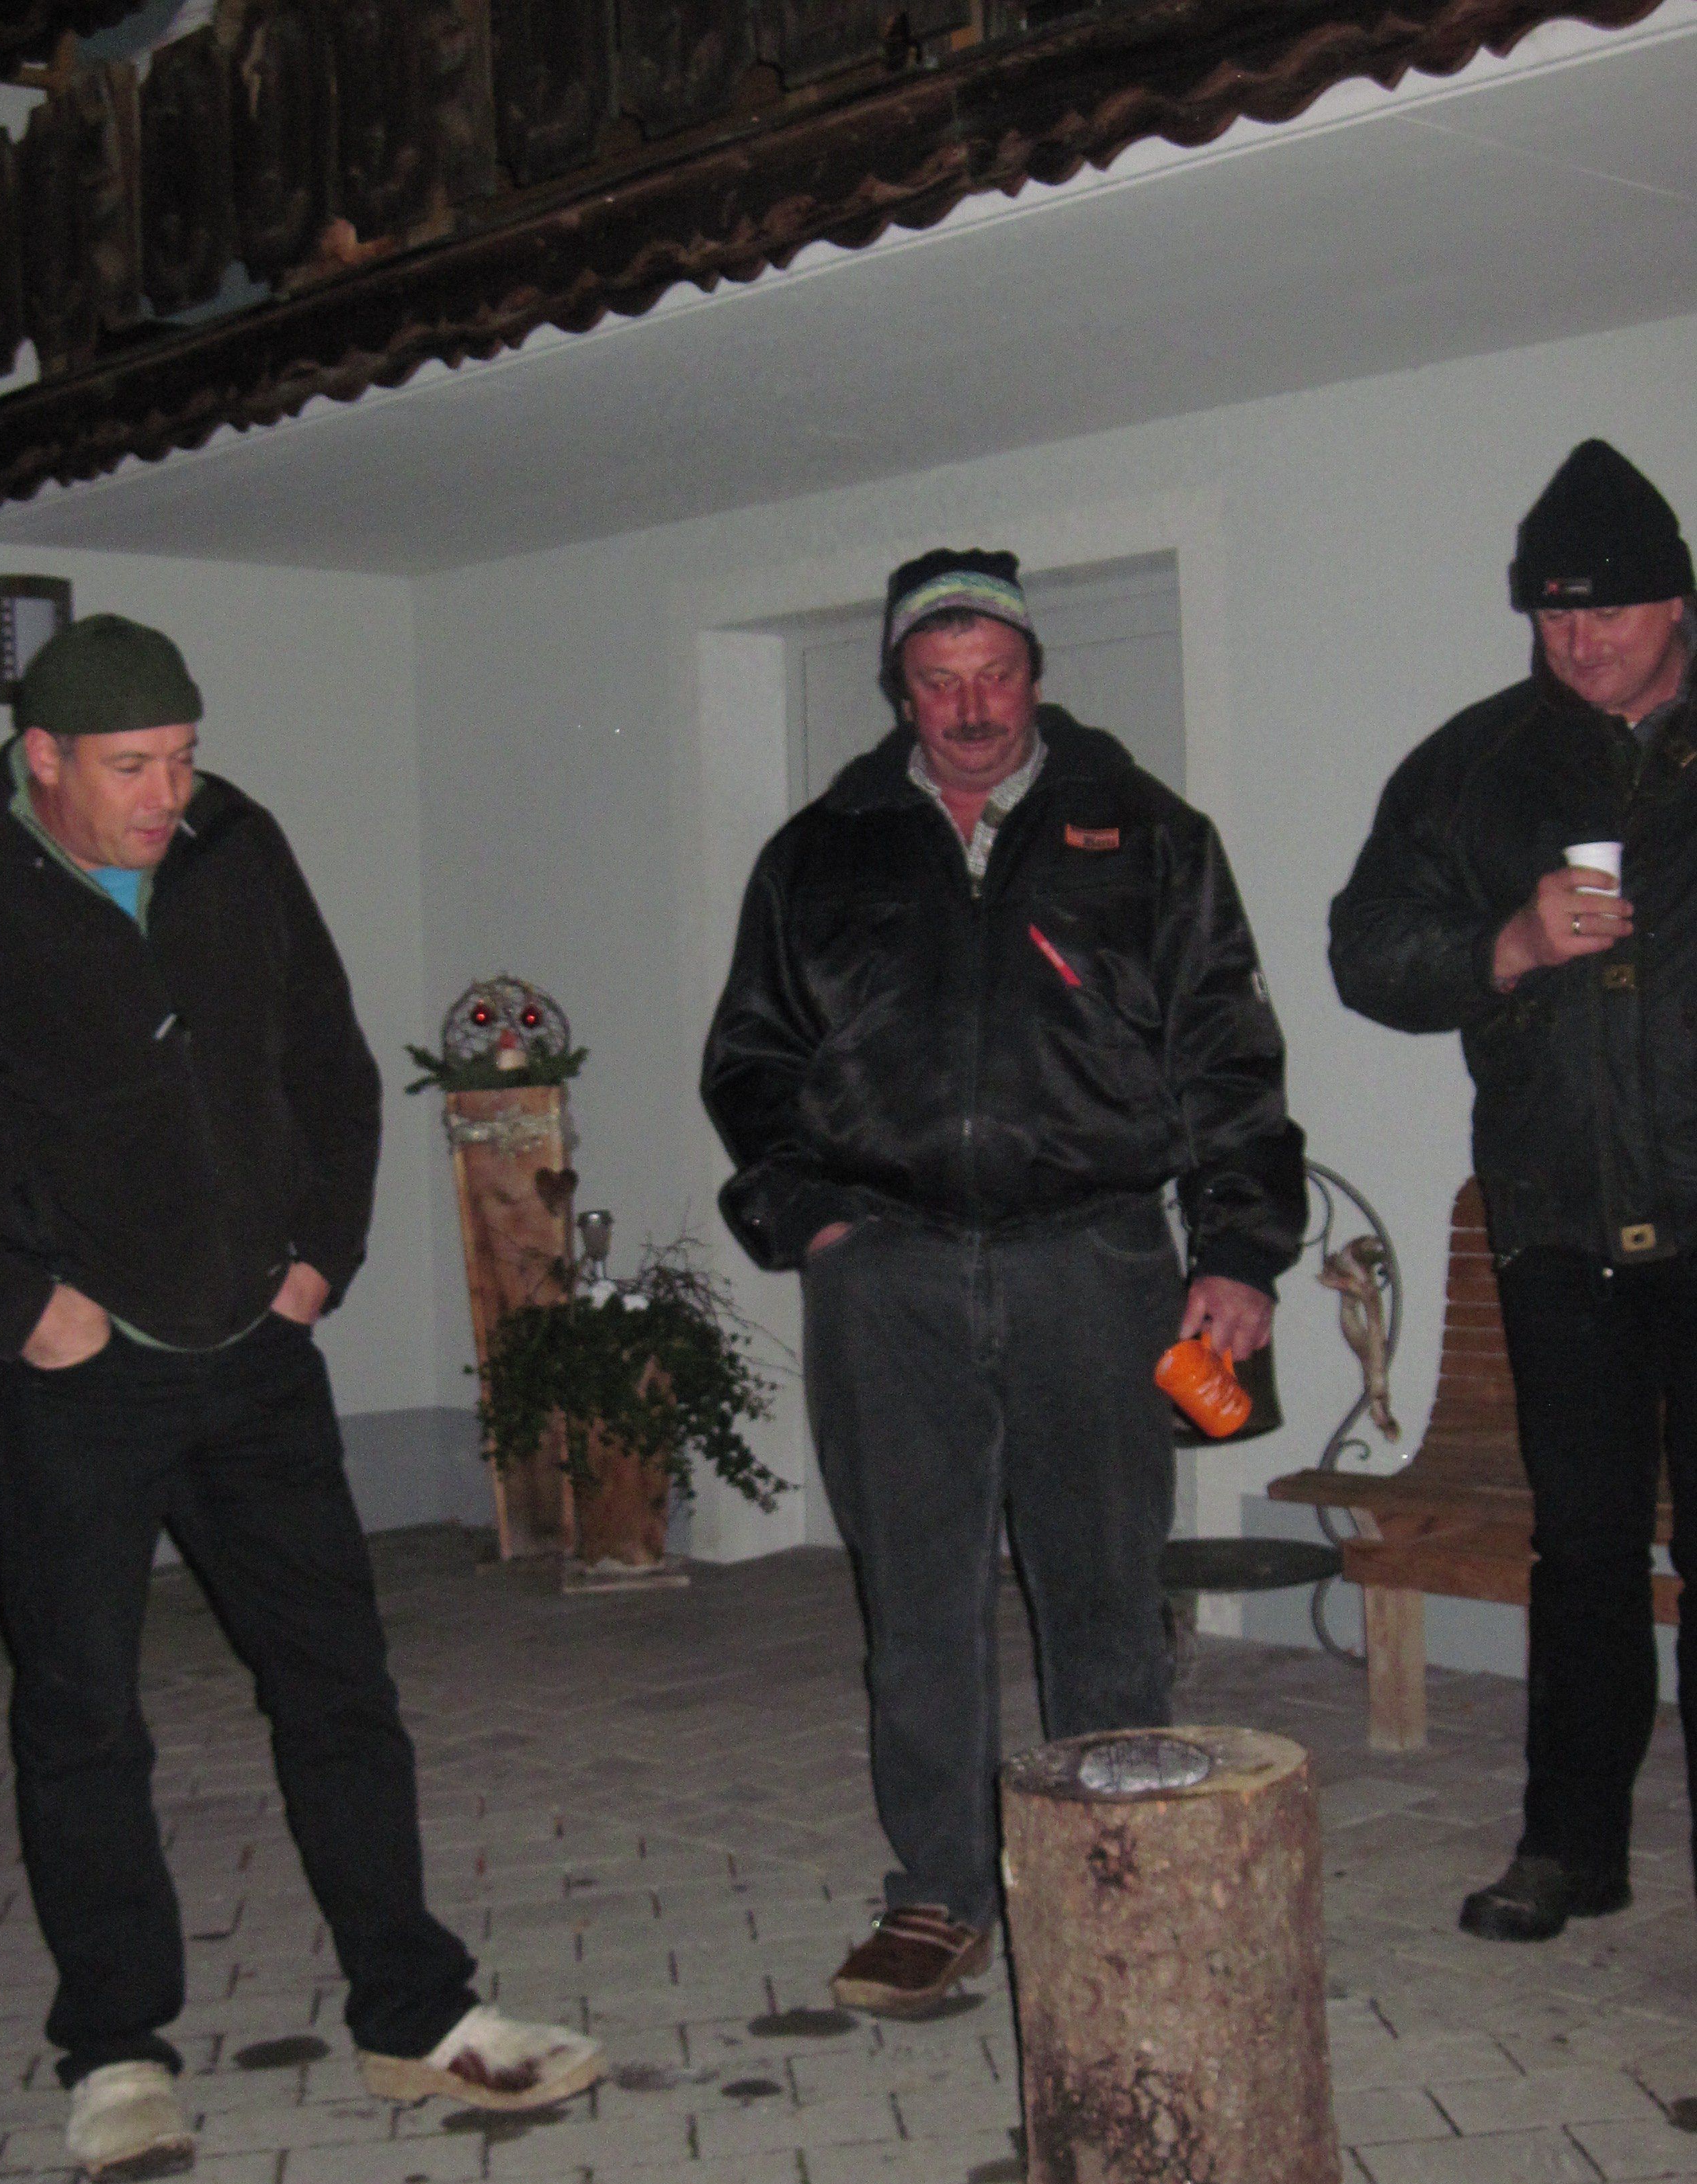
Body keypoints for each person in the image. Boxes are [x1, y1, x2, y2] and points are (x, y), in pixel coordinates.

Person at [0, 614, 599, 2178]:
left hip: (258, 1356)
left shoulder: (238, 846)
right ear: (41, 757)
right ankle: (115, 2047)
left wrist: (321, 1257)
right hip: (78, 1380)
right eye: (131, 767)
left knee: (340, 1687)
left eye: (182, 756)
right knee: (83, 1713)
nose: (169, 794)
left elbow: (333, 1069)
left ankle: (414, 2011)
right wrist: (15, 1308)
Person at [702, 549, 1305, 2016]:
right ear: (899, 687)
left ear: (1036, 673)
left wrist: (1238, 1250)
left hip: (1093, 1257)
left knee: (1103, 1591)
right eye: (939, 681)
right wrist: (812, 1220)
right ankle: (939, 1891)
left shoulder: (1150, 836)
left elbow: (1228, 1053)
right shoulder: (819, 852)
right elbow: (753, 1060)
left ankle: (1115, 1886)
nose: (971, 710)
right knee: (917, 1597)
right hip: (887, 1271)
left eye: (996, 676)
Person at [1331, 439, 1697, 1944]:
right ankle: (1570, 1848)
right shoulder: (1476, 762)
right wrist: (1510, 945)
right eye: (1551, 613)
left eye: (1605, 610)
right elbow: (1367, 952)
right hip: (1557, 1217)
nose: (1577, 640)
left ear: (1676, 601)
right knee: (1586, 1550)